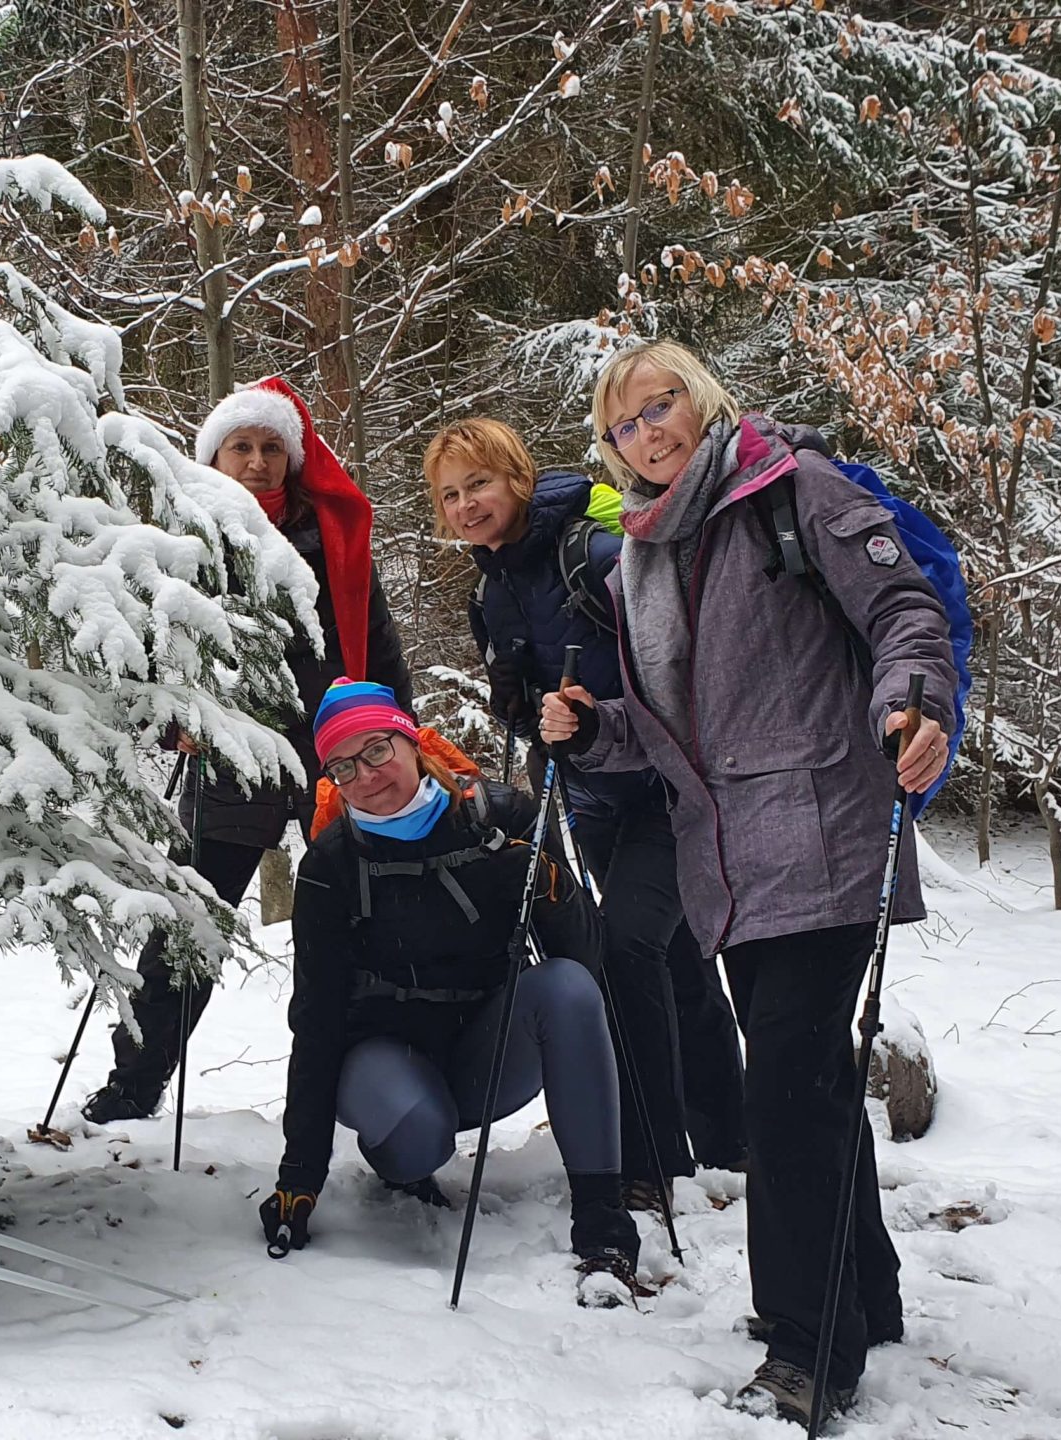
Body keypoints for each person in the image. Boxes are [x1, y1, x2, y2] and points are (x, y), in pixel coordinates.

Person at [541, 339, 955, 1423]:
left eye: (661, 404)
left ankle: (809, 1349)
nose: (648, 432)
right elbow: (683, 733)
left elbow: (902, 612)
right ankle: (866, 1293)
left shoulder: (791, 491)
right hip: (726, 867)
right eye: (624, 423)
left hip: (824, 833)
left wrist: (914, 700)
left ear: (702, 398)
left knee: (779, 1098)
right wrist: (595, 730)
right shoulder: (645, 553)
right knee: (809, 1087)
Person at [426, 417, 749, 1205]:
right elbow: (538, 713)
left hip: (670, 793)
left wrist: (599, 713)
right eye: (451, 494)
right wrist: (521, 712)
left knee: (627, 948)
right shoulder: (491, 588)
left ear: (518, 476)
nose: (469, 504)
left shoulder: (597, 555)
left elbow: (681, 664)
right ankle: (734, 1140)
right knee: (676, 959)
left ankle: (652, 1155)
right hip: (596, 802)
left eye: (481, 483)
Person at [81, 377, 414, 1125]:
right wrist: (175, 718)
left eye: (271, 448)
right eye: (243, 447)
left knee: (358, 919)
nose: (258, 461)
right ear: (216, 456)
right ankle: (135, 1081)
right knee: (191, 921)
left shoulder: (328, 539)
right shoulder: (181, 537)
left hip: (337, 751)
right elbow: (152, 644)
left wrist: (400, 734)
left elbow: (378, 638)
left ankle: (369, 1084)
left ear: (291, 459)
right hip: (231, 751)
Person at [258, 680, 642, 1286]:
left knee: (564, 988)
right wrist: (298, 1177)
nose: (366, 776)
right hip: (382, 1062)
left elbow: (587, 966)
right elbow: (317, 1018)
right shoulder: (331, 865)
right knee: (417, 1131)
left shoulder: (503, 816)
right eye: (343, 765)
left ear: (411, 741)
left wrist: (550, 889)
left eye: (378, 750)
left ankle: (603, 1222)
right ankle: (401, 1168)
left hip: (484, 1054)